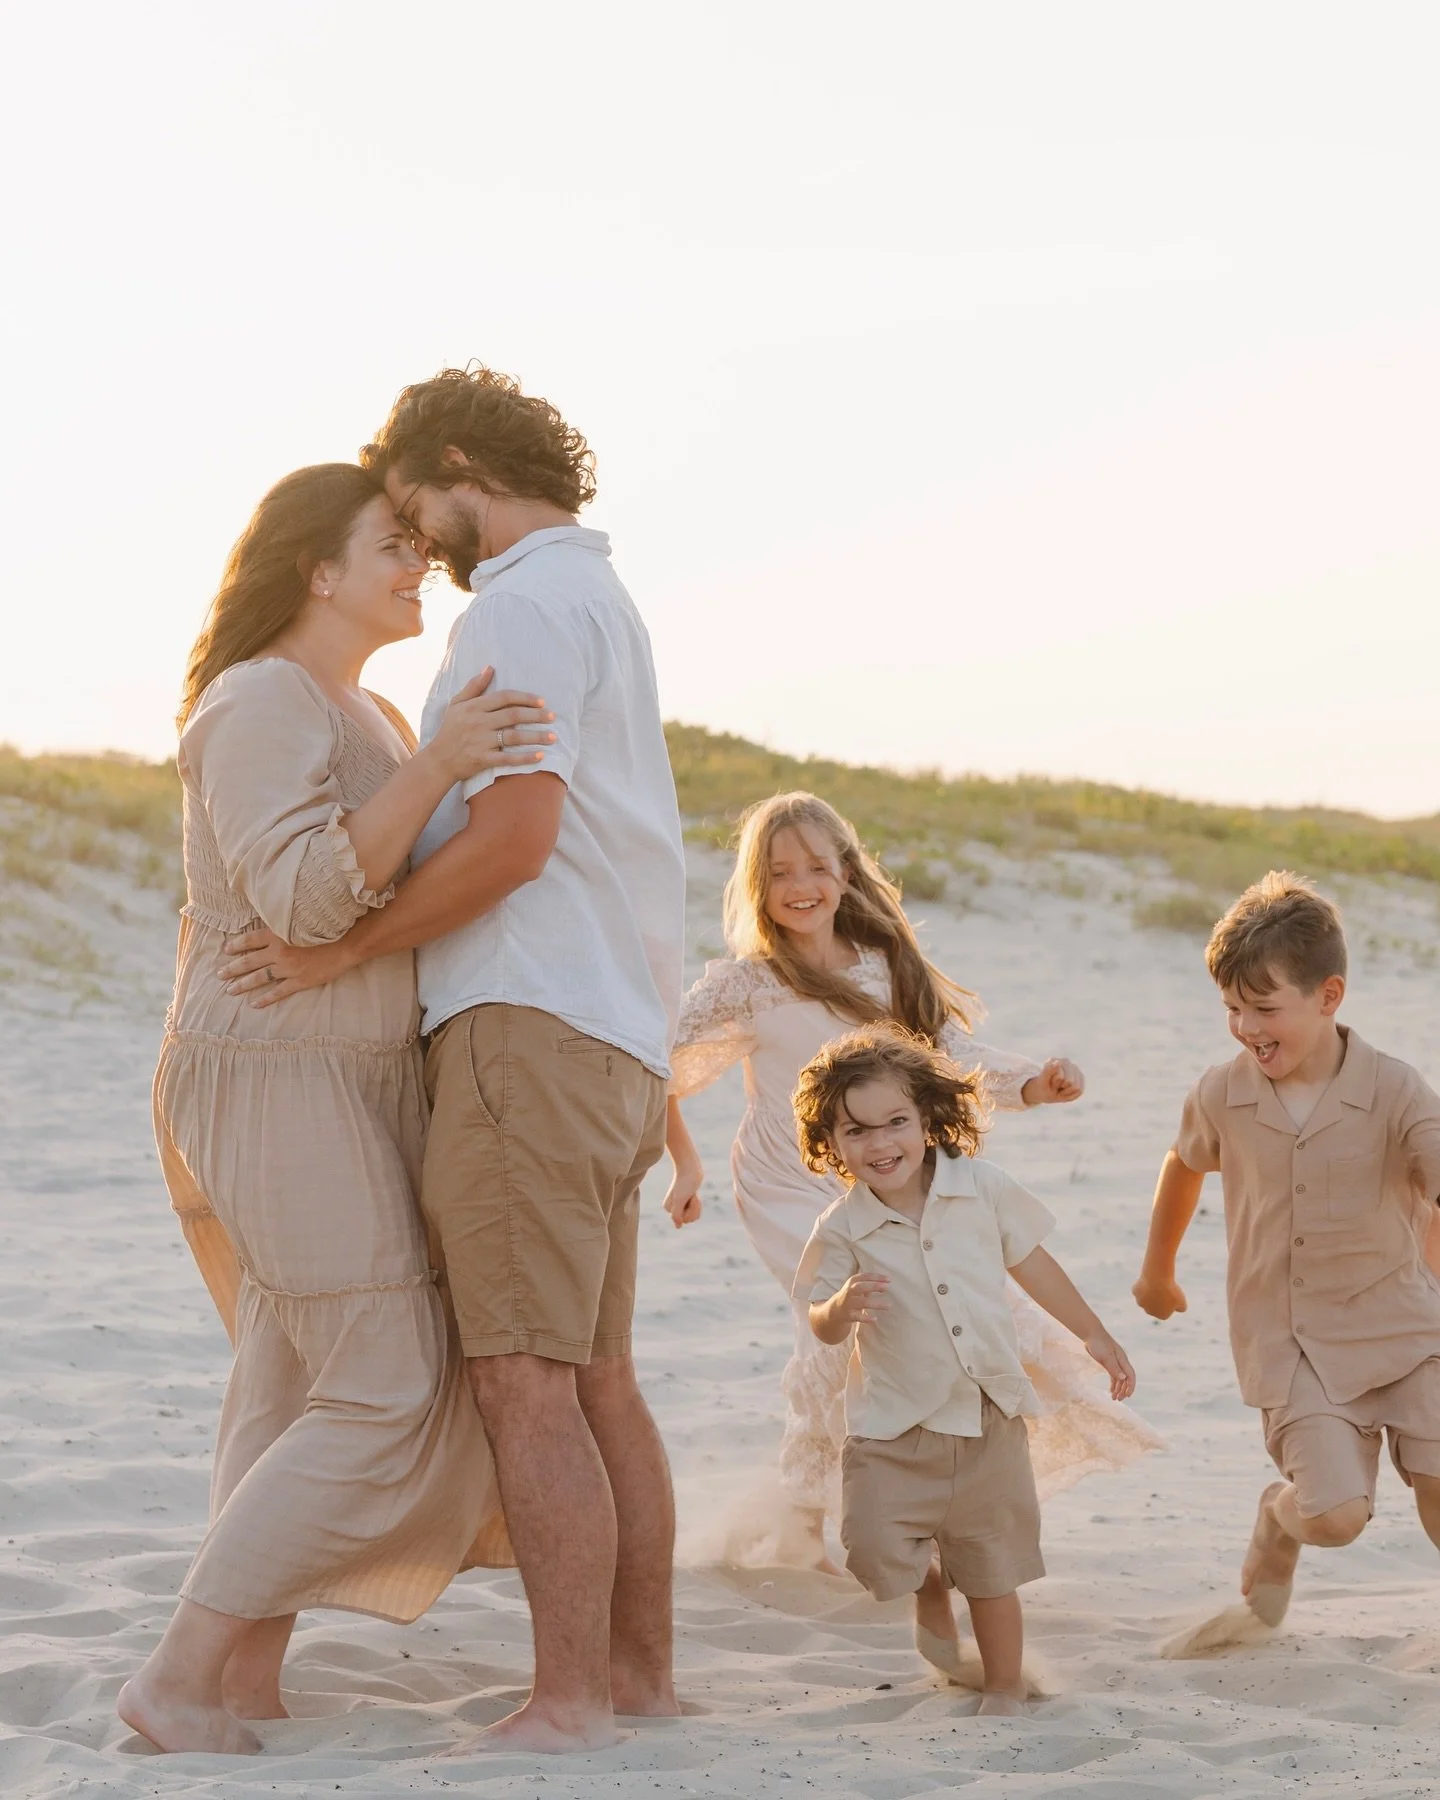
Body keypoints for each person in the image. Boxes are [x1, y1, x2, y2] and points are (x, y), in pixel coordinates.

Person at [218, 367, 687, 1754]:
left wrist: (336, 955)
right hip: (609, 1032)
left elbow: (515, 840)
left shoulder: (524, 606)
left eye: (417, 508)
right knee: (599, 1379)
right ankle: (638, 1682)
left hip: (525, 1031)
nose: (419, 541)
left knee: (525, 1383)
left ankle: (570, 1702)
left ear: (461, 460)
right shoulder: (602, 597)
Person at [119, 463, 554, 1755]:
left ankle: (246, 1674)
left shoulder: (361, 709)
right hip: (269, 1068)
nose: (418, 565)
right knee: (382, 1383)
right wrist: (448, 767)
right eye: (393, 546)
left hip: (351, 1071)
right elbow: (306, 903)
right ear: (316, 568)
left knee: (290, 1380)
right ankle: (178, 1674)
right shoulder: (255, 702)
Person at [664, 792, 1159, 1587]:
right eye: (780, 871)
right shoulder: (745, 985)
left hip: (888, 1175)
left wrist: (1034, 1082)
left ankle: (849, 1502)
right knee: (852, 1311)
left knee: (927, 1308)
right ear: (757, 885)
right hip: (788, 1185)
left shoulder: (882, 965)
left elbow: (949, 1055)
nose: (801, 885)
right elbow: (656, 1068)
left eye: (817, 868)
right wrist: (683, 1164)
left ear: (845, 872)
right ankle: (816, 1510)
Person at [1134, 871, 1440, 1653]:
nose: (1245, 1027)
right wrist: (1157, 1270)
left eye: (1265, 1009)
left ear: (1329, 996)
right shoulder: (1221, 1094)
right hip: (1292, 1341)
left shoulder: (1398, 1089)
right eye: (1233, 1009)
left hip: (1407, 1326)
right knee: (1337, 1517)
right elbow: (1184, 1164)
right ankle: (1279, 1519)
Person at [793, 1024, 1136, 1714]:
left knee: (991, 1566)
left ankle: (1004, 1686)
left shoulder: (981, 1189)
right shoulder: (841, 1225)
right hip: (893, 1425)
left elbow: (1033, 1264)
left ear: (927, 1117)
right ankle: (926, 1582)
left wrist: (1096, 1335)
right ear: (831, 1144)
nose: (880, 1143)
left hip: (986, 1415)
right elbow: (816, 1318)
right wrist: (839, 1307)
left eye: (895, 1122)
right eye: (857, 1132)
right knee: (871, 1549)